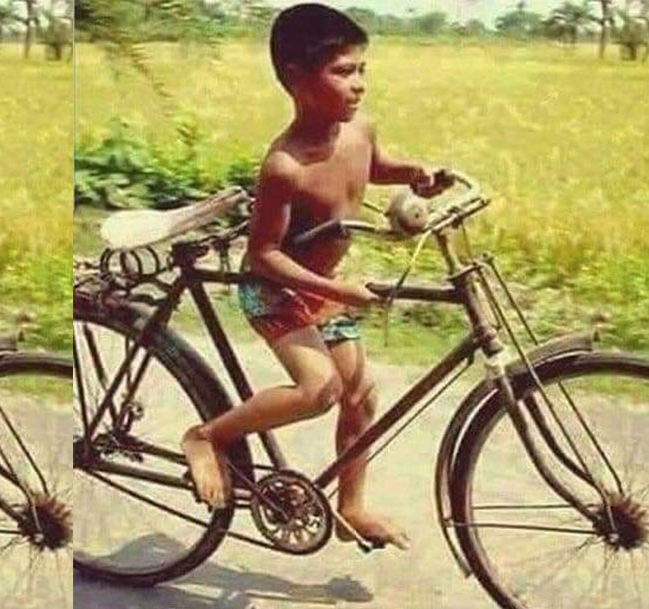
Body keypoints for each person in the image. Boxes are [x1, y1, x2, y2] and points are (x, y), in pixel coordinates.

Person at [180, 3, 448, 550]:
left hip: (321, 287)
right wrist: (337, 290)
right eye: (343, 72)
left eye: (362, 70)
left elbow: (375, 167)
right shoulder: (285, 165)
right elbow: (263, 256)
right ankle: (207, 436)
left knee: (360, 393)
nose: (359, 85)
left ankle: (351, 508)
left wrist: (416, 174)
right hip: (276, 291)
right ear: (296, 80)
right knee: (319, 388)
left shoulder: (359, 130)